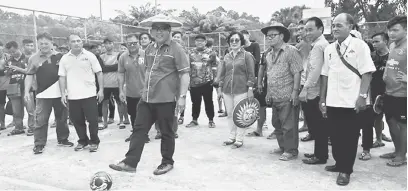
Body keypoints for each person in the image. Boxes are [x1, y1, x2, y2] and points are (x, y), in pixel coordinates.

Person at [109, 15, 189, 175]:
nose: (158, 32)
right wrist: (143, 90)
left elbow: (184, 74)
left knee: (166, 132)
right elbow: (148, 71)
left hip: (166, 99)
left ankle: (167, 162)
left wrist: (182, 97)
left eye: (162, 29)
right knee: (138, 130)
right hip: (146, 99)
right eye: (155, 29)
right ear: (151, 31)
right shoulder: (149, 49)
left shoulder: (176, 49)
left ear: (169, 31)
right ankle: (130, 163)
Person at [320, 13, 375, 186]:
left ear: (350, 27)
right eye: (333, 25)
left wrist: (362, 97)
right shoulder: (329, 48)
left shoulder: (360, 46)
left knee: (349, 137)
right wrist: (322, 99)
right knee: (335, 136)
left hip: (352, 101)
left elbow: (367, 73)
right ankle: (338, 163)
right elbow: (325, 75)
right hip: (333, 101)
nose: (335, 28)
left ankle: (345, 170)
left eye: (339, 25)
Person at [258, 22, 302, 161]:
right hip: (274, 95)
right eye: (267, 36)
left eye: (272, 35)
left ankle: (291, 150)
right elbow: (269, 74)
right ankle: (282, 147)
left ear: (281, 36)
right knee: (277, 123)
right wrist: (268, 92)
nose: (269, 38)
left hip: (288, 94)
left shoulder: (291, 51)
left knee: (289, 125)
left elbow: (297, 73)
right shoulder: (268, 54)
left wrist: (295, 92)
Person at [24, 32, 73, 154]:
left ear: (52, 43)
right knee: (40, 119)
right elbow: (29, 76)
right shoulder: (33, 58)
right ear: (38, 44)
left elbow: (67, 74)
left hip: (60, 94)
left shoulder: (61, 56)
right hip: (42, 94)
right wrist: (26, 91)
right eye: (41, 43)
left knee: (62, 118)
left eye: (46, 43)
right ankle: (39, 143)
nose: (44, 46)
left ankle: (63, 139)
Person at [58, 34, 104, 152]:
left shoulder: (90, 56)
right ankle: (82, 140)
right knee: (77, 120)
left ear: (82, 42)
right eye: (73, 41)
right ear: (69, 44)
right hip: (73, 96)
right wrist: (63, 93)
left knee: (93, 120)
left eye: (79, 41)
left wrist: (101, 90)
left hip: (89, 94)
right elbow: (62, 77)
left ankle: (94, 141)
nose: (77, 43)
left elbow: (99, 73)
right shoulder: (65, 58)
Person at [214, 31, 255, 149]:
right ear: (228, 42)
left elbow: (252, 74)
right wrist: (220, 89)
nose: (234, 42)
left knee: (240, 115)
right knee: (230, 114)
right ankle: (232, 136)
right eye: (231, 40)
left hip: (241, 89)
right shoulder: (226, 56)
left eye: (237, 40)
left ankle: (239, 138)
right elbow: (222, 74)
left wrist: (250, 88)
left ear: (241, 42)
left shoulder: (247, 56)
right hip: (227, 89)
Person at [299, 17, 330, 165]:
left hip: (314, 91)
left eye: (310, 29)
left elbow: (316, 71)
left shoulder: (319, 46)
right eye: (306, 29)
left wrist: (305, 89)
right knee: (317, 125)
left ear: (320, 29)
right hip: (316, 90)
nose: (307, 32)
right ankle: (319, 153)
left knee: (318, 125)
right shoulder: (319, 44)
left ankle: (321, 156)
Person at [381, 15, 407, 167]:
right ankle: (397, 150)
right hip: (389, 92)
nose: (391, 34)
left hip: (403, 94)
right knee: (390, 121)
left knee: (402, 125)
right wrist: (385, 74)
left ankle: (401, 156)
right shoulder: (392, 45)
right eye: (390, 30)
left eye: (395, 30)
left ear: (406, 29)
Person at [360, 32, 391, 156]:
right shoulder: (371, 56)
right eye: (373, 42)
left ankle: (399, 149)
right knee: (375, 117)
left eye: (377, 41)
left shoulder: (392, 56)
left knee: (390, 118)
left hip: (390, 91)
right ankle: (378, 140)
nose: (374, 44)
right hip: (373, 90)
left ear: (386, 41)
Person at [118, 34, 149, 143]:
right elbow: (121, 74)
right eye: (129, 43)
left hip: (145, 91)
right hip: (131, 92)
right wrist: (121, 90)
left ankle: (144, 134)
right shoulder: (123, 57)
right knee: (132, 113)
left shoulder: (146, 55)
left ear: (138, 43)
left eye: (134, 43)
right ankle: (135, 133)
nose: (132, 45)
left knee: (145, 114)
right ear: (126, 44)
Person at [185, 34, 216, 129]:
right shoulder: (190, 53)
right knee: (195, 102)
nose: (199, 42)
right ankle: (194, 120)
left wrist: (215, 79)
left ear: (205, 42)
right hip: (194, 82)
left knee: (209, 102)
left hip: (207, 82)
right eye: (197, 40)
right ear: (195, 42)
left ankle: (211, 120)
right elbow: (187, 67)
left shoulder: (211, 53)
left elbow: (215, 66)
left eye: (202, 41)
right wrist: (187, 82)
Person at [3, 41, 31, 136]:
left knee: (30, 108)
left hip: (26, 86)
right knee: (16, 109)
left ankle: (32, 127)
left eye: (14, 51)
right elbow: (6, 74)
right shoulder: (9, 61)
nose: (12, 54)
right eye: (10, 52)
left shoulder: (27, 58)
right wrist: (8, 71)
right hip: (14, 86)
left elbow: (30, 71)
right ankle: (18, 127)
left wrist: (17, 69)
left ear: (18, 48)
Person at [99, 37, 128, 130]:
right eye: (106, 43)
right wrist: (114, 67)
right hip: (105, 84)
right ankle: (104, 122)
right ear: (104, 45)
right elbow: (102, 69)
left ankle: (121, 121)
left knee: (120, 102)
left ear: (113, 44)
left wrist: (108, 67)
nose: (108, 45)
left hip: (117, 83)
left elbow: (120, 66)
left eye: (110, 43)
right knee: (104, 103)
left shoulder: (119, 55)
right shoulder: (101, 56)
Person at [296, 20, 311, 137]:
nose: (300, 31)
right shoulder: (299, 45)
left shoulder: (316, 43)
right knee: (305, 106)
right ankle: (307, 125)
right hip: (302, 78)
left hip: (314, 79)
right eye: (298, 29)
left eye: (302, 28)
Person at [0, 42, 9, 131]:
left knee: (14, 104)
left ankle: (16, 121)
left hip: (10, 85)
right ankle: (2, 123)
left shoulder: (7, 57)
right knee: (1, 105)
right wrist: (4, 72)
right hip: (1, 87)